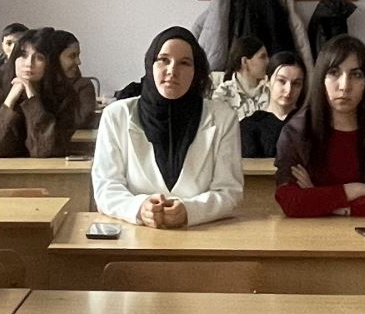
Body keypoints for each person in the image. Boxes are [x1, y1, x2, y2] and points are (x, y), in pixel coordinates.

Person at [92, 27, 242, 228]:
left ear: (196, 71)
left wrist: (190, 211)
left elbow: (229, 192)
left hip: (201, 237)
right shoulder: (116, 115)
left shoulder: (223, 118)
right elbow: (105, 188)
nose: (172, 71)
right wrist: (139, 208)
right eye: (163, 60)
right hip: (133, 236)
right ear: (150, 64)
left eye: (184, 63)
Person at [275, 35, 365, 218]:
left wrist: (331, 204)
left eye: (356, 75)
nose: (344, 86)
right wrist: (355, 190)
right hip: (311, 234)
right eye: (334, 73)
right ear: (321, 79)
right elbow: (291, 201)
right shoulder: (296, 133)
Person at [0, 28, 79, 158]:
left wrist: (32, 100)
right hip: (5, 169)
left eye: (39, 58)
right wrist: (10, 100)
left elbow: (45, 150)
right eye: (23, 55)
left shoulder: (65, 96)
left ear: (50, 64)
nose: (29, 63)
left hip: (48, 170)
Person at [240, 53, 306, 158]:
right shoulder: (249, 125)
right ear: (267, 80)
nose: (288, 90)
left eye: (296, 83)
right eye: (281, 81)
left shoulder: (310, 125)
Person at [47, 29, 99, 129]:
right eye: (72, 56)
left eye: (78, 55)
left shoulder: (84, 85)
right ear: (54, 58)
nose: (79, 62)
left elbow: (81, 121)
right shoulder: (41, 85)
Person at [212, 35, 271, 119]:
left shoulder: (271, 89)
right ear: (245, 62)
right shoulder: (222, 96)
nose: (268, 61)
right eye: (262, 57)